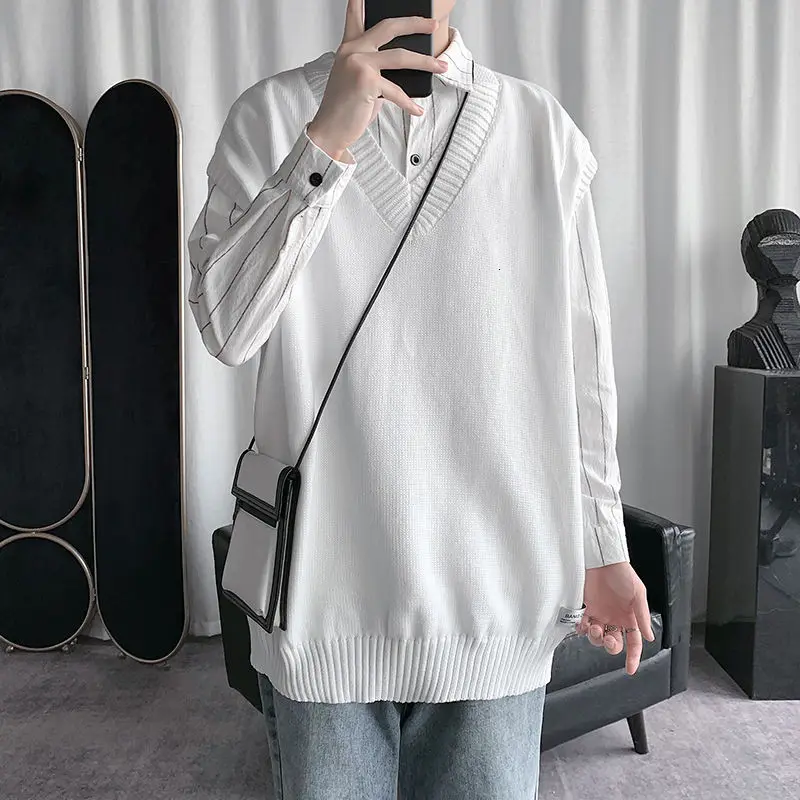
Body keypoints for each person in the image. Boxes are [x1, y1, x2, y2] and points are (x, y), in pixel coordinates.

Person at [188, 1, 655, 797]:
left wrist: (604, 547)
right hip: (321, 607)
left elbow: (586, 369)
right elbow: (227, 328)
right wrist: (324, 141)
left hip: (497, 605)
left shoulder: (541, 131)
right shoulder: (269, 117)